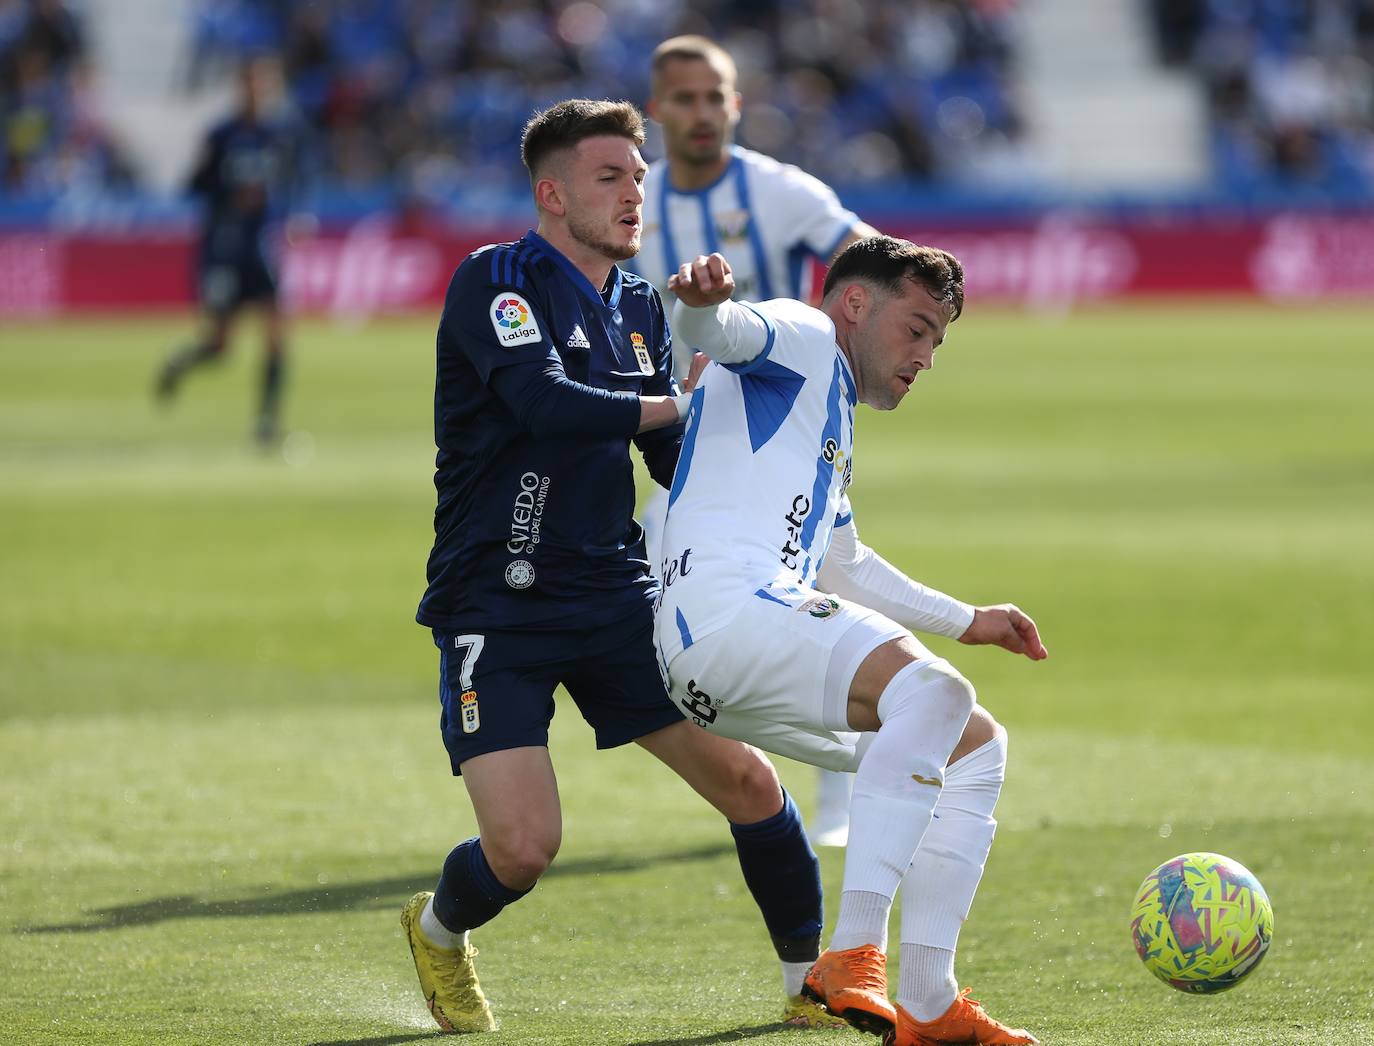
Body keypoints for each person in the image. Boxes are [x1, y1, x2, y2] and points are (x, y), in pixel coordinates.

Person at [400, 99, 844, 1034]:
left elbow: (668, 465)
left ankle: (813, 986)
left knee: (751, 785)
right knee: (523, 850)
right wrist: (676, 407)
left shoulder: (644, 304)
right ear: (553, 193)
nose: (636, 191)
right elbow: (548, 405)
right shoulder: (496, 280)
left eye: (639, 177)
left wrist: (758, 473)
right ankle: (438, 932)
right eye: (612, 177)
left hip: (616, 595)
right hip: (498, 604)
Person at [655, 240, 1046, 1045]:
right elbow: (721, 328)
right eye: (918, 329)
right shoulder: (802, 335)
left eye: (938, 341)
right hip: (726, 613)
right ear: (857, 306)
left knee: (975, 746)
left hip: (723, 651)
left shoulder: (827, 410)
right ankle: (852, 950)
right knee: (932, 693)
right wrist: (699, 298)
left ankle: (929, 1002)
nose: (926, 357)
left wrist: (970, 620)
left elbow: (842, 563)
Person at [637, 34, 883, 846]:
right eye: (685, 99)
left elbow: (866, 257)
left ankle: (842, 793)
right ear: (656, 111)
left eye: (716, 97)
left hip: (784, 427)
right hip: (677, 439)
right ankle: (754, 774)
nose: (702, 113)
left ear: (736, 105)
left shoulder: (775, 191)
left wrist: (837, 344)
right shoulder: (634, 205)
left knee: (814, 578)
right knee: (668, 593)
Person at [153, 54, 304, 447]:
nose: (259, 91)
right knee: (220, 346)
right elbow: (193, 185)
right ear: (241, 88)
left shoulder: (278, 135)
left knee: (277, 333)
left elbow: (289, 184)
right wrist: (228, 196)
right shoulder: (221, 135)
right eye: (252, 83)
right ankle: (177, 364)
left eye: (265, 83)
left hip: (259, 248)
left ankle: (267, 424)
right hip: (224, 249)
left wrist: (290, 218)